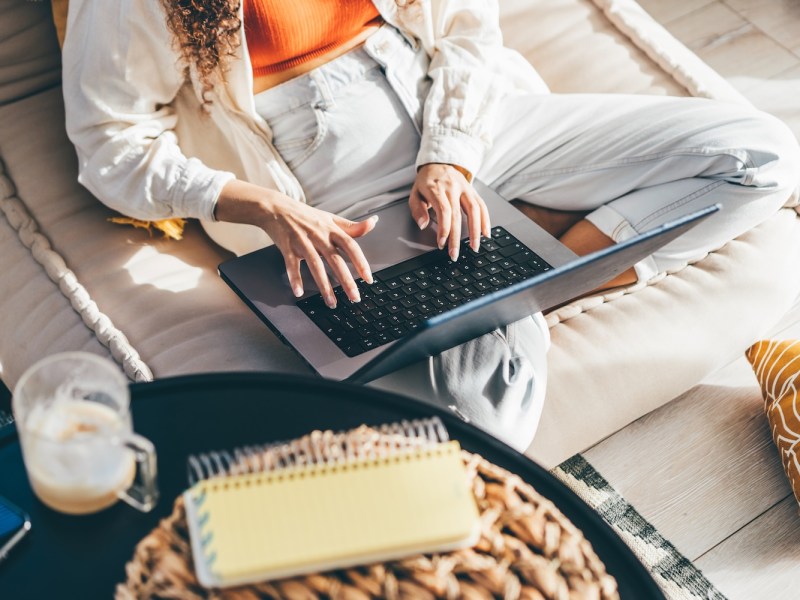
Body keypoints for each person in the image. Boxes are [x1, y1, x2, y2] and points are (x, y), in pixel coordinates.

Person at [62, 0, 800, 451]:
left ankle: (532, 249)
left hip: (474, 115)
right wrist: (258, 204)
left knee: (763, 155)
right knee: (493, 418)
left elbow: (469, 26)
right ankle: (518, 254)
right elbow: (109, 144)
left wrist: (451, 155)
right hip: (336, 176)